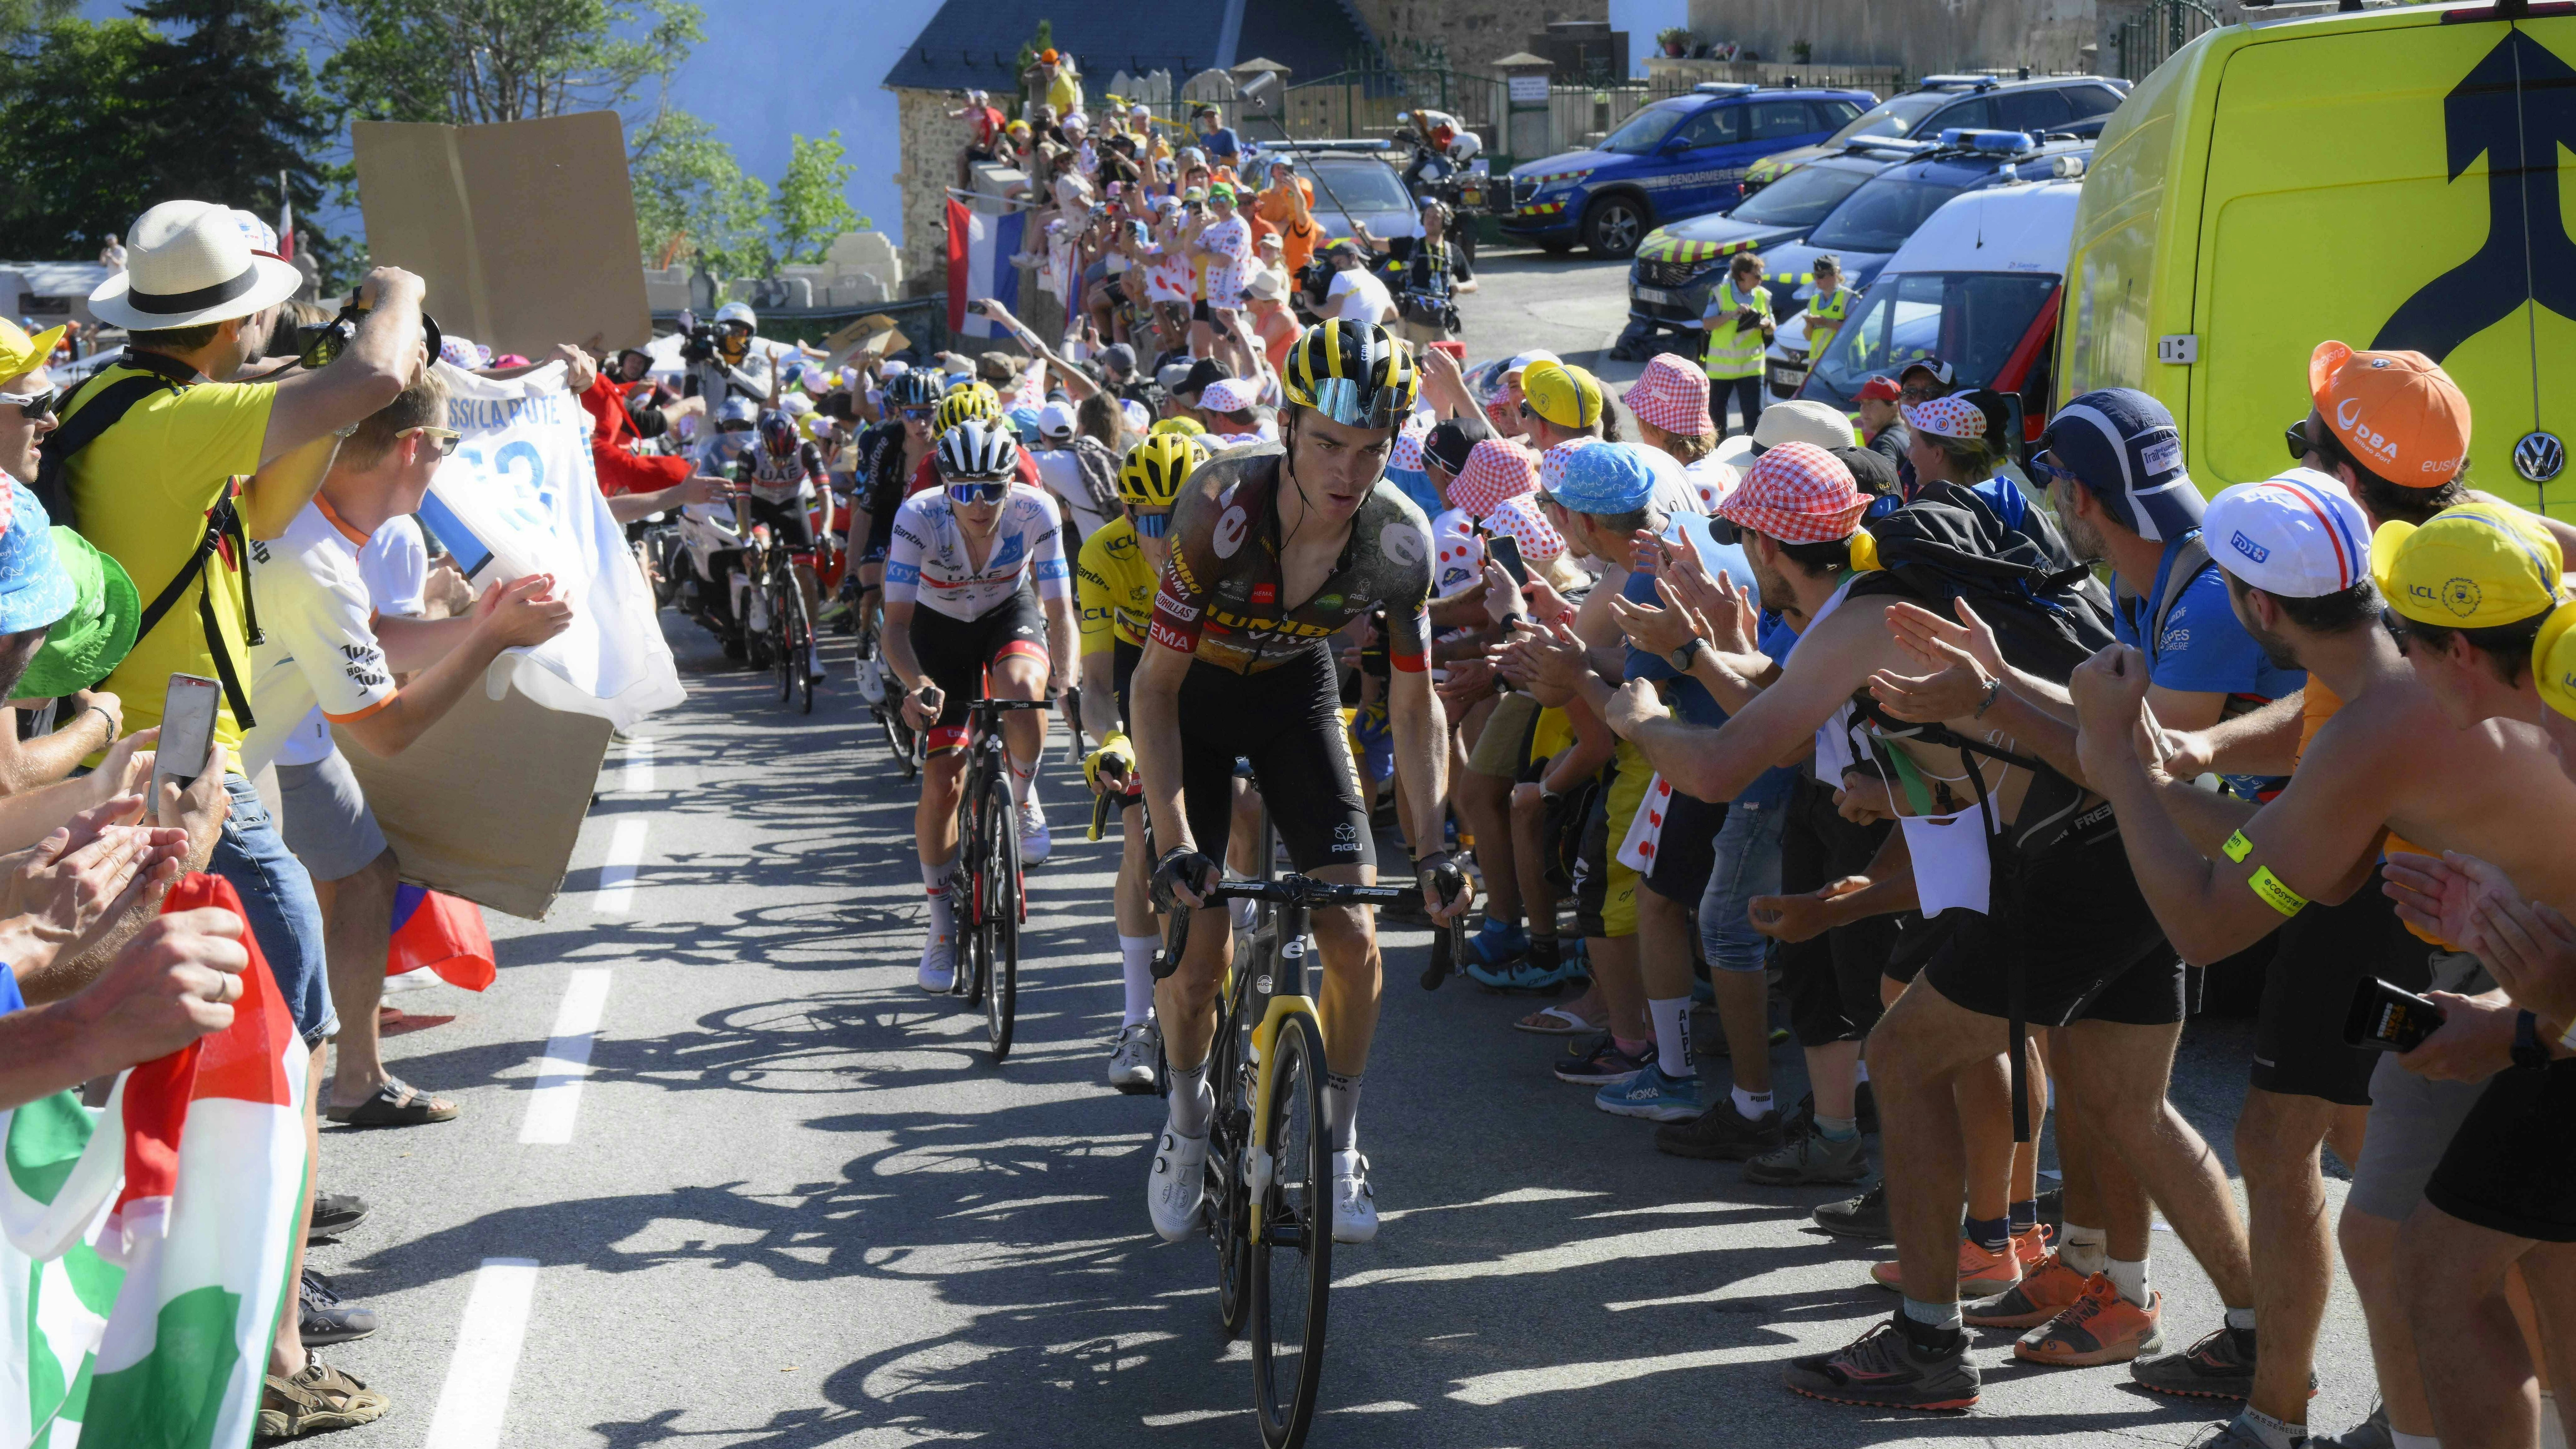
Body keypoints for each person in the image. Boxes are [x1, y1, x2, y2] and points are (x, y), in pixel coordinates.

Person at [67, 198, 423, 1436]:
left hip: (161, 750)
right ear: (235, 322)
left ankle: (249, 1315)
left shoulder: (129, 409)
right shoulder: (181, 417)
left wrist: (321, 405)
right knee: (290, 1041)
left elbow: (266, 515)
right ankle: (274, 1361)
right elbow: (381, 365)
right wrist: (393, 288)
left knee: (224, 1044)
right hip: (177, 761)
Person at [1133, 321, 1470, 1249]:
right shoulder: (1215, 505)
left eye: (1370, 451)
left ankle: (1340, 1142)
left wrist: (1436, 846)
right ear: (1289, 426)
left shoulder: (1400, 542)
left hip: (1294, 700)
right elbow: (1151, 691)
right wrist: (1173, 842)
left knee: (1355, 936)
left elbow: (1414, 706)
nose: (1346, 473)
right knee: (1199, 963)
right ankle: (1191, 1116)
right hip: (1192, 705)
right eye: (1327, 443)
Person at [238, 372, 573, 1132]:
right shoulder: (315, 564)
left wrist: (481, 620)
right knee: (281, 974)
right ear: (413, 446)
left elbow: (377, 640)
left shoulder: (313, 526)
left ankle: (329, 1108)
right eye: (446, 445)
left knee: (353, 885)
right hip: (203, 772)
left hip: (224, 761)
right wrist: (490, 639)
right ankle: (274, 1176)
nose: (445, 463)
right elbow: (386, 732)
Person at [883, 419, 1077, 987]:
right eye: (965, 490)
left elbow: (1060, 611)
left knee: (1024, 689)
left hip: (1005, 613)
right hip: (937, 630)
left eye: (992, 488)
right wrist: (915, 683)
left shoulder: (1035, 510)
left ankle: (1021, 792)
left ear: (1009, 483)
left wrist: (1066, 679)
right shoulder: (917, 517)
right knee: (942, 780)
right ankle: (941, 926)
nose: (979, 503)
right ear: (946, 487)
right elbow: (894, 628)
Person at [1077, 431, 1205, 1091]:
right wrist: (1109, 741)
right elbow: (1095, 684)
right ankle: (1136, 1022)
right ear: (1128, 516)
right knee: (1139, 836)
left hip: (1209, 673)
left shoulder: (1222, 543)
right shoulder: (1104, 553)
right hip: (1135, 674)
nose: (1166, 537)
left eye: (1180, 515)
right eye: (1153, 520)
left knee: (1243, 808)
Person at [736, 408, 834, 682]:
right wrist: (748, 540)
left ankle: (811, 651)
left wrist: (825, 531)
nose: (780, 464)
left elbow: (825, 494)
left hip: (792, 506)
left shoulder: (807, 451)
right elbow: (742, 503)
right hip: (760, 507)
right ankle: (757, 591)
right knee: (760, 547)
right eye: (774, 457)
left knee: (807, 576)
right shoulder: (749, 453)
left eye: (786, 457)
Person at [1354, 202, 1476, 348]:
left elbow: (1473, 284)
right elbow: (1373, 243)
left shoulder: (1453, 252)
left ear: (1446, 222)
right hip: (1410, 321)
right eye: (1428, 216)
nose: (1431, 220)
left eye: (1436, 217)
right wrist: (1362, 231)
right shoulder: (1410, 246)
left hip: (1440, 322)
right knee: (1404, 365)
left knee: (1452, 360)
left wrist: (1457, 288)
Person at [1698, 250, 1774, 439]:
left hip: (1751, 367)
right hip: (1721, 369)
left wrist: (1766, 325)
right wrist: (1732, 314)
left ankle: (1755, 459)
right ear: (1743, 275)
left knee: (1754, 418)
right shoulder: (1720, 293)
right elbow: (1707, 324)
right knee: (1716, 418)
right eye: (1757, 275)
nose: (1761, 280)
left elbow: (1773, 328)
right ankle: (1716, 457)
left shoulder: (1764, 296)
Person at [1254, 158, 1318, 279]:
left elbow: (1290, 228)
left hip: (1289, 259)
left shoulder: (1294, 197)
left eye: (1286, 168)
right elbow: (1254, 225)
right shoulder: (1262, 196)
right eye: (1278, 167)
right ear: (1272, 172)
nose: (1282, 171)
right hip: (1264, 256)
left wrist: (1264, 225)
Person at [1323, 240, 1397, 327]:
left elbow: (1330, 313)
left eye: (1339, 262)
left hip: (1348, 338)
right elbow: (1393, 314)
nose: (1337, 268)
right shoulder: (1377, 282)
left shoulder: (1342, 276)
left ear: (1353, 257)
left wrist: (1310, 304)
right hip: (1371, 337)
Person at [1803, 255, 1852, 364]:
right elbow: (1808, 337)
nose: (1817, 280)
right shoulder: (1814, 301)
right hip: (1818, 367)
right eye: (1815, 276)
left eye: (1821, 276)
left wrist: (1826, 322)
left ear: (1835, 274)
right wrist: (1809, 324)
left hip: (1843, 364)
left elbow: (1853, 329)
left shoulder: (1849, 297)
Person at [1191, 104, 1240, 169]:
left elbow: (1236, 161)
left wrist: (1214, 158)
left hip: (1227, 177)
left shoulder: (1228, 134)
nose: (1209, 119)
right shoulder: (1204, 138)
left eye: (1212, 116)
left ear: (1220, 117)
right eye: (1206, 116)